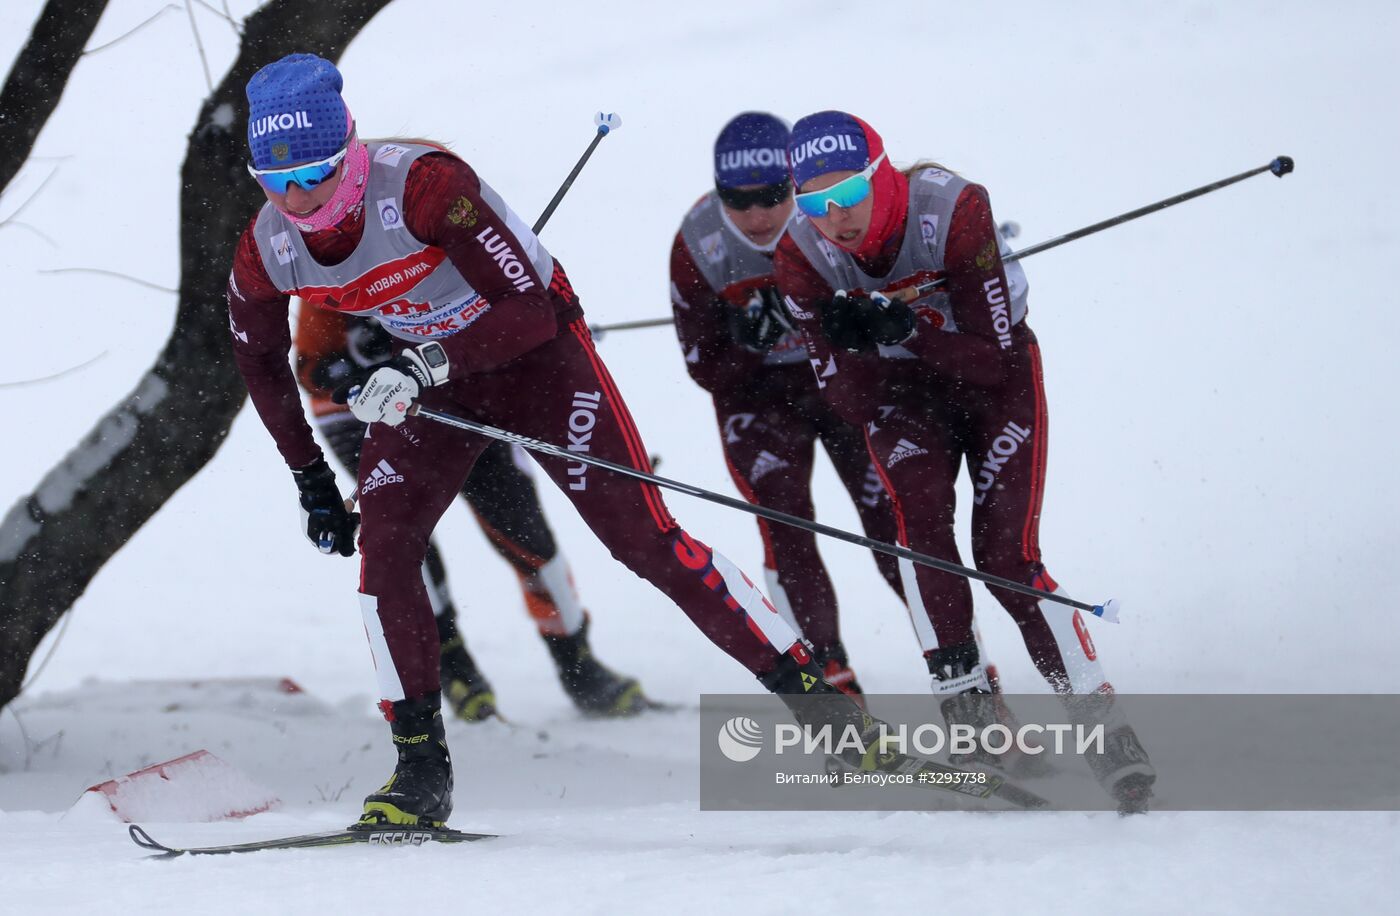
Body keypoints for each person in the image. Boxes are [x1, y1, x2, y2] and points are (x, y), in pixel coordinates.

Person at [227, 54, 840, 829]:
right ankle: (419, 771)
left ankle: (821, 706)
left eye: (315, 175)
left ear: (348, 151)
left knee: (639, 540)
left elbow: (529, 310)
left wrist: (427, 360)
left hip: (536, 360)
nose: (299, 199)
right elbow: (258, 358)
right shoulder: (268, 245)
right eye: (275, 182)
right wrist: (310, 478)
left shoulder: (423, 188)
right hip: (432, 380)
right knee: (385, 553)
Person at [772, 110, 1156, 811]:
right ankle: (971, 719)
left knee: (1005, 557)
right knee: (922, 536)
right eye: (815, 204)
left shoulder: (955, 211)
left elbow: (992, 360)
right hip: (902, 395)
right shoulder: (801, 257)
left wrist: (906, 326)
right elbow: (852, 406)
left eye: (849, 193)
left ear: (880, 176)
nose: (836, 218)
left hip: (991, 384)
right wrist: (846, 341)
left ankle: (1105, 731)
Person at [670, 113, 1013, 709]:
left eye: (775, 195)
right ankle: (831, 685)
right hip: (760, 401)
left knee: (893, 532)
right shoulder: (698, 242)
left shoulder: (830, 215)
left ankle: (971, 677)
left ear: (797, 186)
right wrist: (748, 344)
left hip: (848, 383)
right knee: (787, 524)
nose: (757, 216)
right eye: (738, 200)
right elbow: (702, 364)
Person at [294, 305, 650, 720]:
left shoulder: (440, 245)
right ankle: (455, 669)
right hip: (364, 414)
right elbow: (310, 367)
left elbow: (509, 310)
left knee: (523, 530)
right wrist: (358, 366)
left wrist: (547, 338)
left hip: (456, 393)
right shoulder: (336, 263)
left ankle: (577, 661)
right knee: (404, 541)